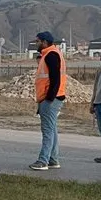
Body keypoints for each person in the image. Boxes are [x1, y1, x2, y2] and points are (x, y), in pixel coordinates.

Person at [30, 32, 67, 171]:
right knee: (52, 129)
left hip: (51, 98)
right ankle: (53, 159)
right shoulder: (49, 54)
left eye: (37, 41)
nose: (36, 43)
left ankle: (43, 161)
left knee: (47, 131)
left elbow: (55, 79)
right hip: (50, 98)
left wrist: (49, 99)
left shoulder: (51, 55)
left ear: (44, 42)